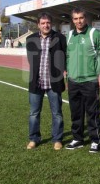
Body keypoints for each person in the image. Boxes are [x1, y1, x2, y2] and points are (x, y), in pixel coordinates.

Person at [65, 8, 100, 153]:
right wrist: (67, 74)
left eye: (81, 18)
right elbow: (67, 57)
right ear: (72, 20)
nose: (79, 21)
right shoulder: (69, 35)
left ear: (86, 18)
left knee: (92, 112)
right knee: (75, 112)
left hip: (90, 80)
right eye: (75, 19)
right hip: (73, 81)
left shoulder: (94, 33)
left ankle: (95, 140)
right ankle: (78, 139)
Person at [26, 12, 66, 150]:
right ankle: (34, 138)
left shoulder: (60, 37)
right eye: (42, 23)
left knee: (57, 113)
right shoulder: (30, 39)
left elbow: (64, 57)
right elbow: (31, 59)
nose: (45, 25)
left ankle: (57, 139)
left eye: (48, 22)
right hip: (36, 82)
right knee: (34, 113)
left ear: (51, 23)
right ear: (38, 25)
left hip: (54, 82)